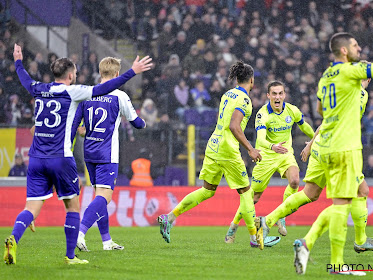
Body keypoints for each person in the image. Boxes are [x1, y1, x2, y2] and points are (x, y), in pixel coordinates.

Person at [4, 43, 152, 265]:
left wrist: (18, 61)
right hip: (62, 158)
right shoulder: (74, 92)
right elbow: (104, 89)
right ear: (71, 75)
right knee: (75, 206)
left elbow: (24, 79)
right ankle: (71, 254)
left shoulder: (38, 88)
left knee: (30, 209)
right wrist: (133, 72)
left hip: (36, 158)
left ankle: (14, 238)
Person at [293, 16, 373, 276]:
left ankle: (319, 245)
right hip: (344, 149)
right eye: (355, 46)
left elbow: (320, 109)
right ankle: (333, 261)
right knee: (340, 205)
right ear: (344, 50)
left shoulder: (325, 77)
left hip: (328, 147)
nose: (359, 49)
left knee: (361, 191)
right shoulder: (348, 70)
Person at [264, 78, 373, 274]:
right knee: (354, 195)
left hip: (321, 145)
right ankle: (353, 245)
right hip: (339, 149)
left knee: (310, 193)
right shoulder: (359, 94)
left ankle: (268, 220)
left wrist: (311, 143)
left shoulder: (338, 90)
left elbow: (326, 121)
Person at [157, 61, 264, 249]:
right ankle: (255, 237)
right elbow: (234, 126)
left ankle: (170, 217)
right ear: (252, 81)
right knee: (246, 192)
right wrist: (250, 149)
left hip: (213, 144)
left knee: (207, 190)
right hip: (227, 148)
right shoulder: (245, 100)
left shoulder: (227, 95)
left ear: (237, 79)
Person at [225, 80, 314, 245]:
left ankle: (281, 217)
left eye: (280, 93)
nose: (277, 97)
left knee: (295, 180)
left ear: (284, 95)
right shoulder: (262, 114)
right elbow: (260, 139)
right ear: (268, 96)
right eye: (274, 94)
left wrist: (315, 139)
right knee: (253, 198)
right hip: (265, 155)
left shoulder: (292, 110)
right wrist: (272, 146)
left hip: (285, 153)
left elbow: (304, 127)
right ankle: (233, 226)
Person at [73, 57, 147, 252]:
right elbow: (136, 123)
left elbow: (78, 125)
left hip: (89, 151)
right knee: (105, 197)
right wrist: (144, 122)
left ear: (100, 72)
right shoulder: (119, 96)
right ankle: (79, 233)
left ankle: (107, 241)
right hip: (107, 153)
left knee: (100, 195)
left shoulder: (87, 93)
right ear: (116, 74)